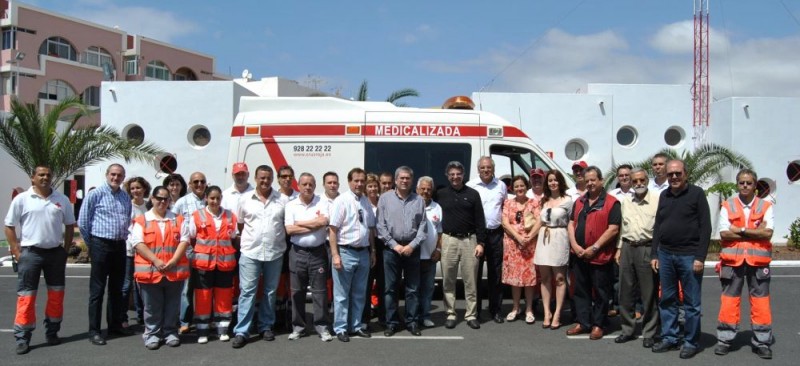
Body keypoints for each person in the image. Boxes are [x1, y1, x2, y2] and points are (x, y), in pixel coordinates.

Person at [5, 166, 76, 355]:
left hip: (55, 254)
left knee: (56, 295)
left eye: (48, 175)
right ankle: (22, 338)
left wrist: (64, 251)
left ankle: (52, 332)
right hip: (31, 254)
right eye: (41, 175)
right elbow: (9, 226)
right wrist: (17, 251)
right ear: (33, 178)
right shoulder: (22, 199)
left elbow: (70, 225)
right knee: (26, 297)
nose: (45, 177)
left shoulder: (62, 200)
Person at [650, 159, 711, 359]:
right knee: (667, 299)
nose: (674, 177)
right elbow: (658, 225)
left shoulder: (697, 194)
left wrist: (700, 257)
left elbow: (706, 227)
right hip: (666, 255)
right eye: (670, 174)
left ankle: (691, 342)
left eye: (678, 173)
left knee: (691, 304)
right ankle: (670, 338)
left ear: (686, 174)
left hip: (689, 256)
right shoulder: (664, 195)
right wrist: (654, 253)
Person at [715, 169, 775, 359]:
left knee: (761, 302)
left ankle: (762, 342)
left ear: (755, 185)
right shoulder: (728, 205)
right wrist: (754, 232)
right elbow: (724, 233)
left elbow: (768, 233)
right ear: (737, 184)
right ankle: (725, 340)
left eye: (749, 183)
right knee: (729, 301)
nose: (745, 186)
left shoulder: (766, 206)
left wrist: (739, 230)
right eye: (742, 182)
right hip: (732, 261)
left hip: (758, 262)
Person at [231, 165, 286, 349]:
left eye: (268, 178)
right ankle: (242, 331)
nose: (265, 181)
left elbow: (285, 224)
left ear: (273, 179)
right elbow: (240, 225)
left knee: (270, 291)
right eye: (262, 177)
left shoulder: (281, 200)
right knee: (247, 291)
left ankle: (265, 326)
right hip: (250, 252)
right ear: (255, 178)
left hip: (274, 252)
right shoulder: (245, 199)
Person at [129, 186, 190, 350]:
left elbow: (185, 240)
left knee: (172, 305)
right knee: (151, 306)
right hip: (150, 271)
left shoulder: (178, 219)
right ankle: (152, 334)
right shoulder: (142, 220)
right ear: (152, 199)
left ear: (169, 200)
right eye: (159, 198)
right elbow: (137, 243)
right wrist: (156, 261)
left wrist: (174, 261)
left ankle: (170, 332)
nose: (162, 201)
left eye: (166, 199)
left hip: (174, 270)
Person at [79, 163, 133, 346]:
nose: (115, 178)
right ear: (107, 175)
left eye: (119, 175)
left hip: (119, 245)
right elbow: (83, 222)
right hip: (100, 245)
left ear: (123, 177)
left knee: (117, 289)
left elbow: (127, 219)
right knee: (97, 290)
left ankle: (114, 325)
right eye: (113, 174)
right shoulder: (96, 194)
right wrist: (92, 245)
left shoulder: (125, 197)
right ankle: (94, 331)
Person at [566, 166, 620, 340]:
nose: (589, 183)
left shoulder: (612, 202)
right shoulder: (579, 201)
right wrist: (575, 245)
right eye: (587, 180)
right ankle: (583, 322)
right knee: (580, 290)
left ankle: (598, 324)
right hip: (579, 255)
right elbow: (571, 224)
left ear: (601, 181)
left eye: (593, 180)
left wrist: (595, 248)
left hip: (600, 256)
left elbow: (613, 229)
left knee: (601, 292)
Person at [377, 166, 427, 337]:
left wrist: (412, 245)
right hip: (391, 250)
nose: (405, 181)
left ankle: (412, 322)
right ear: (396, 180)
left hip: (412, 249)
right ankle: (391, 323)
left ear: (412, 180)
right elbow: (380, 226)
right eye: (402, 178)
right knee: (390, 288)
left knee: (412, 289)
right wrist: (394, 245)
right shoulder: (385, 199)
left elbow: (423, 227)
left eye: (408, 178)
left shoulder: (419, 200)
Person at [284, 173, 334, 342]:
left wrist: (299, 223)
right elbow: (289, 230)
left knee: (320, 292)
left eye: (310, 184)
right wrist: (314, 224)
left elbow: (323, 222)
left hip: (318, 253)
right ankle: (298, 327)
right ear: (298, 185)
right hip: (297, 252)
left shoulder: (322, 202)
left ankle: (322, 327)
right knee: (297, 292)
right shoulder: (291, 205)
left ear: (315, 185)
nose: (307, 187)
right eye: (304, 184)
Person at [328, 168, 376, 342]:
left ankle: (355, 326)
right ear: (349, 182)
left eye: (362, 181)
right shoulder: (341, 201)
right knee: (341, 295)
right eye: (356, 180)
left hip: (363, 253)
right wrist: (335, 255)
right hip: (345, 252)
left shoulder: (366, 201)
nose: (359, 184)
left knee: (359, 293)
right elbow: (332, 230)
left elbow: (370, 229)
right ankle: (340, 328)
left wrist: (373, 251)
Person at [613, 168, 660, 348]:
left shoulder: (657, 200)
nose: (639, 184)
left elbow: (660, 228)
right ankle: (627, 329)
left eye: (641, 180)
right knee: (625, 291)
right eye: (635, 181)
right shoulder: (626, 201)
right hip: (627, 247)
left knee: (648, 293)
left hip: (647, 247)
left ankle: (649, 332)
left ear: (647, 180)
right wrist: (619, 248)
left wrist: (657, 253)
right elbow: (623, 227)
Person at [187, 186, 238, 344]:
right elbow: (191, 238)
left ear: (221, 198)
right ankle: (202, 330)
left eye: (218, 198)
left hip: (225, 264)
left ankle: (222, 329)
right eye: (212, 198)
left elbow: (233, 237)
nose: (215, 201)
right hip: (203, 264)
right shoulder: (197, 216)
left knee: (224, 296)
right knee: (203, 297)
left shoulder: (230, 216)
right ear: (206, 199)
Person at [438, 161, 485, 330]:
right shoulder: (441, 194)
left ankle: (471, 314)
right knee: (448, 280)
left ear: (463, 175)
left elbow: (480, 220)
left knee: (470, 281)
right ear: (447, 176)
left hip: (469, 241)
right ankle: (450, 313)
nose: (455, 177)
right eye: (452, 174)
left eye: (458, 174)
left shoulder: (473, 194)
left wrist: (481, 243)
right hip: (448, 240)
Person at [467, 156, 507, 324]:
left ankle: (495, 310)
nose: (486, 170)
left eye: (489, 167)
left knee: (496, 274)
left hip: (496, 234)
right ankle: (475, 311)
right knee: (475, 274)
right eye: (483, 167)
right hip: (477, 235)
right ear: (478, 169)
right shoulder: (471, 186)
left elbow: (505, 207)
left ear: (493, 169)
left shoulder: (501, 185)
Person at [531, 170, 572, 330]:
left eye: (555, 180)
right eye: (550, 181)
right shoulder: (544, 200)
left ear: (560, 182)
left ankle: (557, 314)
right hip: (544, 238)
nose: (553, 183)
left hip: (559, 237)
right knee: (545, 278)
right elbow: (540, 221)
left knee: (560, 278)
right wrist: (529, 236)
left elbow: (571, 222)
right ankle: (547, 312)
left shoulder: (568, 200)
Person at [172, 171, 208, 334]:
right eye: (196, 182)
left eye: (202, 181)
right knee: (186, 289)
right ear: (190, 184)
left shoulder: (210, 200)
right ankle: (185, 321)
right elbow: (174, 226)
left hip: (206, 252)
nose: (199, 184)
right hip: (187, 251)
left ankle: (204, 318)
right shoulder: (182, 202)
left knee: (204, 287)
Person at [500, 175, 538, 324]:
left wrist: (528, 237)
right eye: (516, 186)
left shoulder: (534, 203)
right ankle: (515, 308)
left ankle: (529, 309)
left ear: (526, 186)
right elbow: (505, 223)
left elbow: (539, 221)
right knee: (515, 279)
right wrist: (518, 237)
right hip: (513, 245)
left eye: (522, 185)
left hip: (529, 245)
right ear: (512, 188)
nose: (519, 188)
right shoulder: (508, 203)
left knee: (529, 278)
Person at [123, 177, 151, 327]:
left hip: (145, 251)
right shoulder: (127, 206)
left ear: (144, 189)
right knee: (127, 284)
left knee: (142, 284)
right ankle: (122, 317)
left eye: (138, 187)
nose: (136, 191)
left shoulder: (148, 206)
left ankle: (142, 315)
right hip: (129, 250)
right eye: (133, 188)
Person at [416, 176, 442, 328]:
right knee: (413, 289)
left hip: (430, 256)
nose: (425, 191)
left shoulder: (437, 207)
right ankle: (412, 317)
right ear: (417, 189)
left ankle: (425, 316)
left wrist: (438, 249)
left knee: (428, 288)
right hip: (414, 256)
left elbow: (440, 232)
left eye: (428, 189)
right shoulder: (411, 204)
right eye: (423, 188)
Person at [363, 173, 385, 325]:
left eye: (375, 186)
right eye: (369, 186)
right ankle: (365, 316)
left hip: (383, 244)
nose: (372, 189)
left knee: (384, 282)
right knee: (367, 283)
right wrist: (372, 250)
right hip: (368, 245)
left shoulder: (382, 202)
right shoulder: (363, 203)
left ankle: (384, 315)